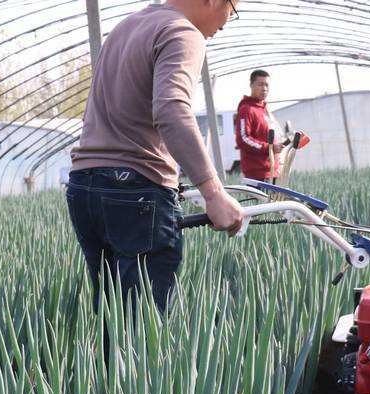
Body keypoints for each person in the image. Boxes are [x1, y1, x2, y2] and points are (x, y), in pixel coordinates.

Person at [67, 0, 244, 315]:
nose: (228, 22)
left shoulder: (126, 28)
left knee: (112, 317)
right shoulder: (183, 32)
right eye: (233, 10)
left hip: (84, 186)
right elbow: (171, 111)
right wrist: (214, 193)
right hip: (135, 192)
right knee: (142, 328)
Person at [235, 69, 283, 181]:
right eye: (260, 84)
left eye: (267, 85)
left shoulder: (265, 109)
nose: (264, 88)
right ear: (251, 85)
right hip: (257, 173)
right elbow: (243, 139)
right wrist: (270, 147)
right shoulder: (246, 109)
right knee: (260, 199)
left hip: (271, 171)